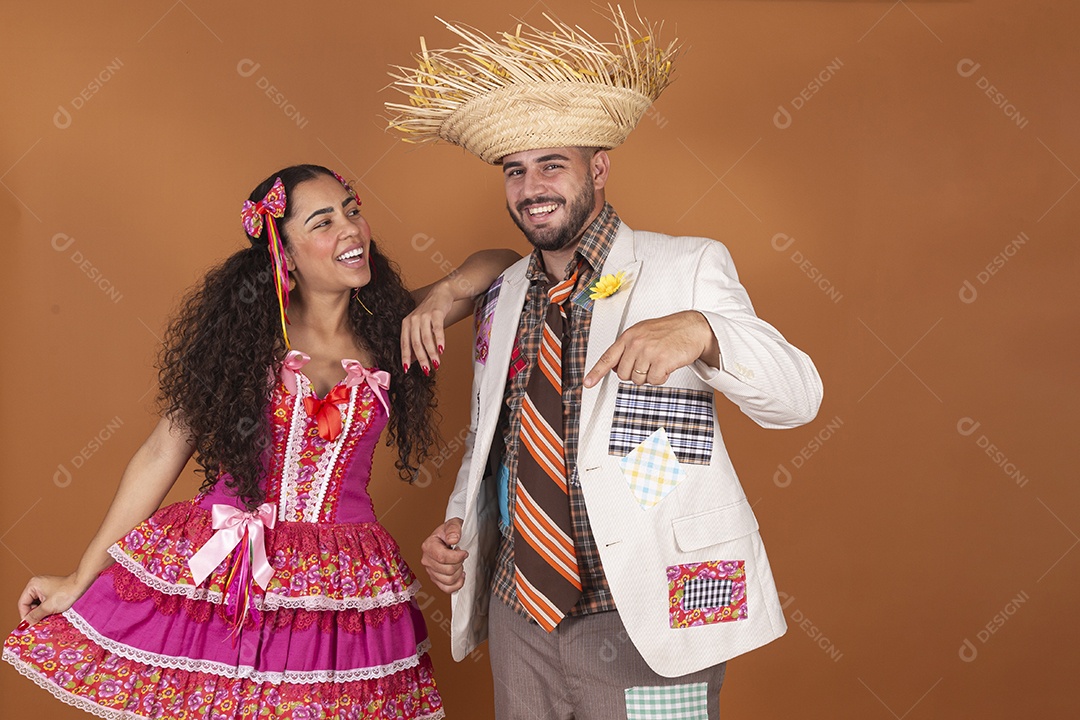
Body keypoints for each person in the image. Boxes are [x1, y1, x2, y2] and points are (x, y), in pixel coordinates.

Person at [390, 10, 824, 720]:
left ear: (599, 167)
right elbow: (499, 441)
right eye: (515, 171)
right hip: (519, 611)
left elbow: (798, 398)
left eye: (552, 164)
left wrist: (705, 332)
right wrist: (460, 527)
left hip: (654, 611)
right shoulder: (503, 295)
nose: (533, 187)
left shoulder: (687, 267)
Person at [2, 164, 516, 719]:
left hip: (337, 585)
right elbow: (159, 454)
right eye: (323, 221)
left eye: (352, 210)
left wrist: (440, 299)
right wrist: (81, 576)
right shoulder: (244, 344)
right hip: (227, 570)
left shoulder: (394, 330)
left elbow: (504, 264)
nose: (350, 229)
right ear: (285, 253)